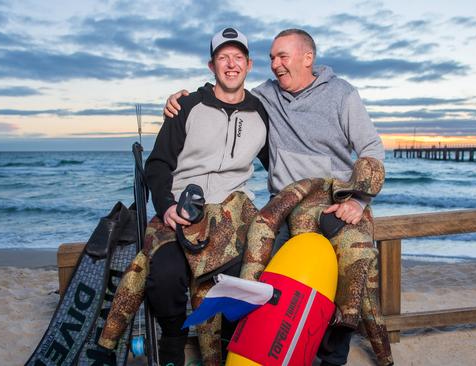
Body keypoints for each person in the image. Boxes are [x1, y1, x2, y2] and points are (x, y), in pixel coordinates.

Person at [164, 29, 393, 366]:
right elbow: (228, 93)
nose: (275, 65)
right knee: (264, 279)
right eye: (271, 58)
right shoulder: (266, 96)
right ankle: (258, 349)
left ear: (307, 58)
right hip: (284, 208)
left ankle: (331, 359)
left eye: (282, 56)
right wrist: (183, 100)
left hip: (334, 202)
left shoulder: (342, 95)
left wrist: (358, 201)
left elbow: (372, 149)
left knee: (350, 278)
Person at [99, 27, 268, 366]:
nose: (231, 65)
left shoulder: (261, 113)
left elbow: (281, 165)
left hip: (231, 214)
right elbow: (158, 164)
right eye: (223, 58)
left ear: (249, 65)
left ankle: (229, 346)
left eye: (237, 58)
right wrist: (167, 205)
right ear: (212, 65)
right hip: (182, 207)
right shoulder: (187, 106)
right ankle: (173, 341)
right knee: (164, 273)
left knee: (241, 275)